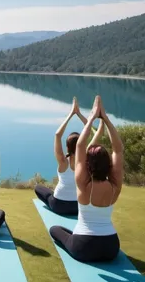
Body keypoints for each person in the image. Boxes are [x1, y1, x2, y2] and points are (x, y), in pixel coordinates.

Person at [50, 96, 123, 262]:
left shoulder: (82, 184)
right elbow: (118, 150)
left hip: (84, 246)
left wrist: (91, 119)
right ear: (108, 165)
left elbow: (80, 147)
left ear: (88, 164)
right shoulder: (115, 186)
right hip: (111, 247)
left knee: (55, 229)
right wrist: (105, 118)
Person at [35, 97, 92, 216]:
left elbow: (57, 135)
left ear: (67, 147)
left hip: (59, 205)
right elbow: (89, 127)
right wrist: (79, 114)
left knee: (39, 188)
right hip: (78, 206)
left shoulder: (63, 162)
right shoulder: (85, 160)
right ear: (82, 145)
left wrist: (71, 114)